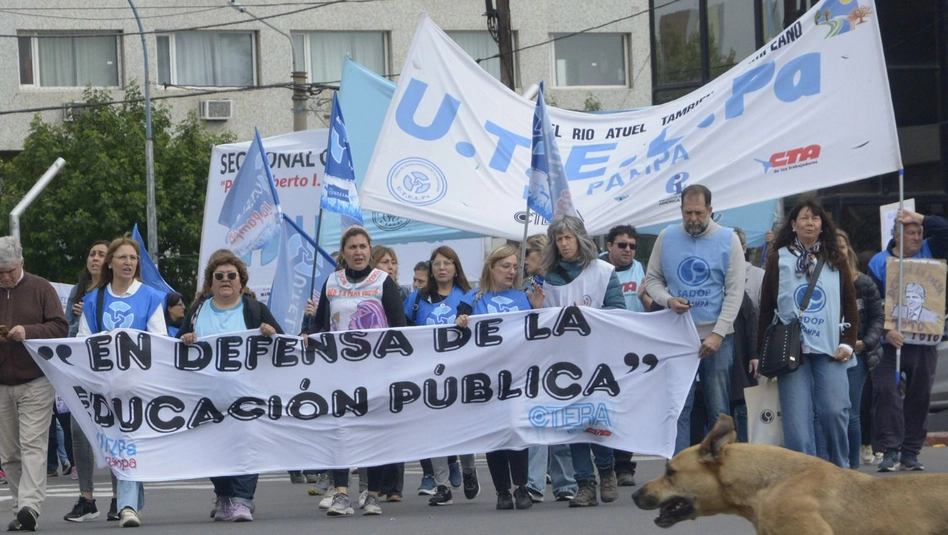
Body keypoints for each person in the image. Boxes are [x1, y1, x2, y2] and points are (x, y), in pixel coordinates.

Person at [303, 226, 408, 517]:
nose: (358, 252)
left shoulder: (383, 281)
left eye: (363, 246)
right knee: (340, 430)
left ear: (370, 250)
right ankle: (341, 494)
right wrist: (308, 334)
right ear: (344, 252)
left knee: (373, 432)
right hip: (340, 371)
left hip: (376, 371)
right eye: (352, 247)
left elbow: (400, 326)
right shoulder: (331, 282)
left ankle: (372, 493)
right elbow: (321, 325)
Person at [178, 250, 282, 522]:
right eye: (219, 276)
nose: (226, 280)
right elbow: (177, 348)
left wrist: (270, 334)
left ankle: (242, 499)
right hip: (208, 397)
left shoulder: (255, 309)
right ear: (211, 282)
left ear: (241, 281)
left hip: (247, 394)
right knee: (214, 449)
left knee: (246, 446)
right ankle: (224, 497)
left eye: (231, 275)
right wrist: (186, 338)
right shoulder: (197, 310)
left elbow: (283, 347)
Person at [644, 185, 745, 455]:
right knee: (678, 408)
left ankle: (722, 472)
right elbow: (652, 279)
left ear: (711, 210)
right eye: (688, 212)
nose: (693, 219)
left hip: (717, 337)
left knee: (719, 409)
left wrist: (718, 333)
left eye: (699, 213)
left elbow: (735, 292)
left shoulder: (728, 239)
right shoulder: (666, 237)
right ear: (681, 211)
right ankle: (676, 470)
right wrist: (668, 300)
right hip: (678, 336)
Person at [758, 199, 858, 468]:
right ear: (793, 225)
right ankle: (803, 478)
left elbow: (850, 304)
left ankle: (841, 468)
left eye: (815, 218)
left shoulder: (836, 258)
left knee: (834, 411)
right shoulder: (779, 258)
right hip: (791, 353)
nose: (810, 222)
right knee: (797, 426)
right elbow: (767, 307)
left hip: (830, 350)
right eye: (804, 218)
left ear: (822, 225)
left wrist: (848, 344)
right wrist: (760, 354)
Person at [77, 236, 167, 528]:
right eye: (123, 257)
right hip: (106, 386)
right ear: (110, 263)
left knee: (130, 441)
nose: (129, 263)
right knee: (117, 444)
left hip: (139, 385)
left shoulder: (151, 297)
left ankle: (127, 505)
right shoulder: (94, 299)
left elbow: (160, 341)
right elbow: (82, 342)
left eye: (133, 258)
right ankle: (130, 503)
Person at [541, 215, 626, 507]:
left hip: (597, 356)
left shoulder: (603, 271)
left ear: (579, 238)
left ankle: (605, 470)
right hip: (564, 361)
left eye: (568, 238)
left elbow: (618, 311)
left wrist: (589, 315)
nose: (563, 244)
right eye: (558, 239)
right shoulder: (548, 278)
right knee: (574, 423)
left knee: (597, 418)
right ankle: (585, 483)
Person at [455, 244, 544, 510]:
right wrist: (459, 323)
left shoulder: (523, 297)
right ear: (490, 267)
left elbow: (535, 334)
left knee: (516, 431)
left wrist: (537, 310)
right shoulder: (471, 299)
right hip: (485, 378)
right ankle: (502, 490)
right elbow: (453, 340)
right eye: (505, 266)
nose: (511, 271)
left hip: (516, 376)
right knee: (494, 434)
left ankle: (521, 486)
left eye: (515, 266)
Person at [867, 208, 948, 471]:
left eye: (918, 233)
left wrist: (920, 217)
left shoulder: (930, 250)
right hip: (890, 343)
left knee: (919, 394)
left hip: (924, 342)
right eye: (910, 233)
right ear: (897, 236)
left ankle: (911, 452)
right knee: (885, 390)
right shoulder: (878, 262)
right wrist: (885, 331)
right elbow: (870, 305)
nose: (916, 237)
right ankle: (890, 448)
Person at [0, 236, 69, 532]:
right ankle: (21, 506)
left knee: (33, 444)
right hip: (2, 382)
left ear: (22, 263)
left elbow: (60, 327)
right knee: (9, 453)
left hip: (36, 380)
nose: (5, 276)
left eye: (10, 270)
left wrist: (27, 331)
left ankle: (30, 504)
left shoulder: (41, 288)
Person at [402, 246, 479, 506]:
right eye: (437, 263)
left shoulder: (469, 296)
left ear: (456, 267)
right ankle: (442, 484)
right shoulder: (416, 299)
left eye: (448, 263)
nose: (442, 267)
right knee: (434, 429)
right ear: (431, 268)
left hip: (462, 372)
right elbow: (403, 331)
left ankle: (468, 469)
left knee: (464, 427)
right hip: (429, 374)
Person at [62, 240, 120, 523]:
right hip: (82, 371)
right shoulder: (78, 290)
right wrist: (76, 320)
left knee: (115, 432)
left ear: (109, 261)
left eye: (101, 254)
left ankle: (121, 498)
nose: (95, 258)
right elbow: (66, 332)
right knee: (78, 430)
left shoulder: (115, 291)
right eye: (91, 254)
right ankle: (87, 498)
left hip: (110, 374)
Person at [522, 234, 577, 503]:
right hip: (534, 361)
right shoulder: (525, 286)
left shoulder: (562, 283)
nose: (523, 258)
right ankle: (534, 482)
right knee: (537, 420)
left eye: (528, 251)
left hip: (562, 360)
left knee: (561, 422)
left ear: (543, 254)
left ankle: (565, 482)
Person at [837, 229, 884, 469]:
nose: (839, 250)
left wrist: (865, 343)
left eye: (842, 245)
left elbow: (878, 318)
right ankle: (835, 463)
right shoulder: (822, 282)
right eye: (833, 246)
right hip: (829, 356)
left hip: (857, 356)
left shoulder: (864, 283)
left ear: (849, 250)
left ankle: (851, 467)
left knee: (851, 411)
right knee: (831, 413)